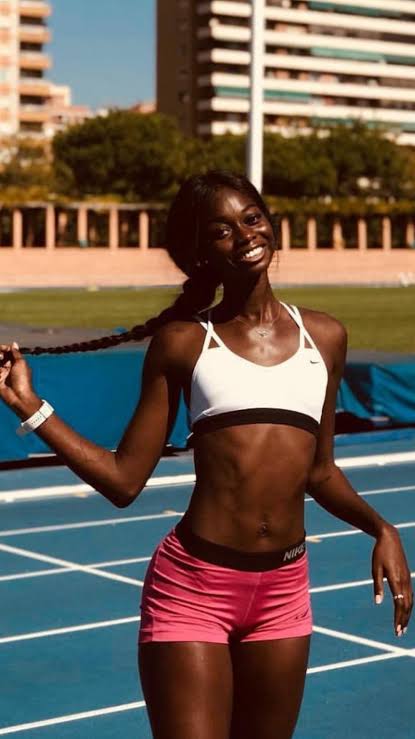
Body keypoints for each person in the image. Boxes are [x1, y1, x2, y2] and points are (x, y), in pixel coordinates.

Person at [0, 171, 412, 739]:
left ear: (271, 224)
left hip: (284, 592)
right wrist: (30, 407)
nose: (244, 235)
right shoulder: (185, 343)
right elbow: (123, 480)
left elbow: (319, 471)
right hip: (194, 589)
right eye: (221, 230)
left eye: (251, 218)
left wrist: (381, 527)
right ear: (200, 255)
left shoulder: (326, 337)